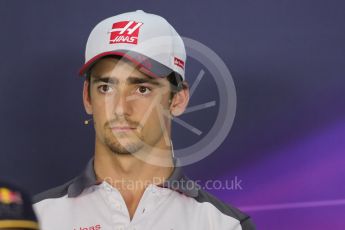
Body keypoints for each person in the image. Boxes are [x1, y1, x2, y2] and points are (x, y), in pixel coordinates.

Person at [33, 10, 255, 230]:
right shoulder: (37, 219)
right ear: (87, 97)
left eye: (141, 88)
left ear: (177, 99)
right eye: (106, 87)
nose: (120, 108)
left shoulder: (225, 225)